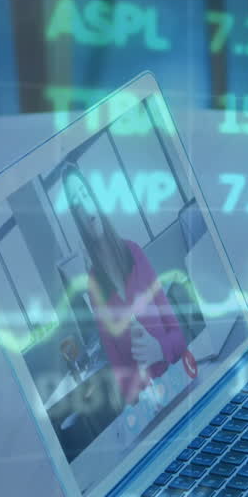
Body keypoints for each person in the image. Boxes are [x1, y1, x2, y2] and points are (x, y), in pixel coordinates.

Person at [61, 162, 186, 408]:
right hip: (151, 406)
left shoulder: (134, 253)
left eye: (85, 194)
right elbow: (120, 372)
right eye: (76, 204)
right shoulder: (94, 285)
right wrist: (139, 399)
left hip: (180, 386)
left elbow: (179, 337)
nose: (84, 207)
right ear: (78, 220)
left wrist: (158, 349)